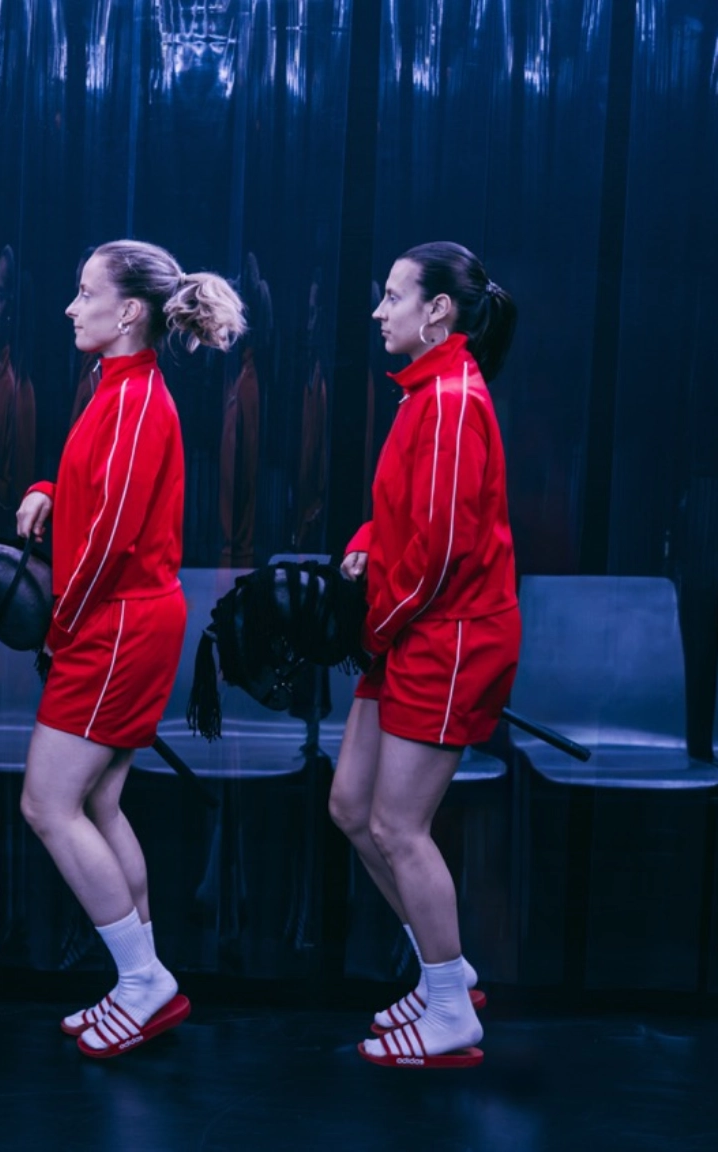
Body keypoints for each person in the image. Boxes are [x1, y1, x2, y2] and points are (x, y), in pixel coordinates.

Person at [15, 239, 245, 1058]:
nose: (72, 308)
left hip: (115, 624)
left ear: (130, 312)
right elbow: (96, 493)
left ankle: (145, 981)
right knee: (99, 804)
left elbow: (111, 535)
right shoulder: (118, 390)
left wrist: (61, 622)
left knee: (47, 804)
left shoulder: (138, 399)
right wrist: (48, 491)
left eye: (85, 294)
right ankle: (138, 978)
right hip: (120, 619)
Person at [330, 241, 520, 1069]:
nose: (380, 311)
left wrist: (376, 625)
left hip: (444, 637)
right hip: (410, 630)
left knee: (400, 826)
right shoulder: (426, 394)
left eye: (393, 296)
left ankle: (451, 1007)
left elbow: (443, 553)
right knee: (351, 808)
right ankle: (449, 975)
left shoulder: (449, 397)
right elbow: (413, 513)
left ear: (437, 310)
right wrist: (370, 543)